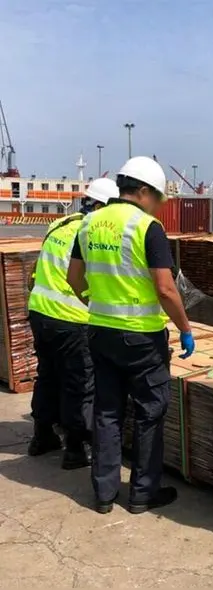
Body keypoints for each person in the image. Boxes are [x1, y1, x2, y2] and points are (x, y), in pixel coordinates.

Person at [66, 156, 196, 515]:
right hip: (141, 339)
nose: (159, 206)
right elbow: (166, 289)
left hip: (101, 333)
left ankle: (104, 493)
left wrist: (95, 301)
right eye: (158, 198)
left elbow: (74, 279)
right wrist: (185, 328)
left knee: (108, 412)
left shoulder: (89, 224)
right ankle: (142, 493)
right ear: (142, 192)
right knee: (150, 412)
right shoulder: (147, 227)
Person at [26, 178, 117, 469]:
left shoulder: (60, 224)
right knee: (79, 384)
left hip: (40, 312)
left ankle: (41, 436)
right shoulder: (92, 233)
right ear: (102, 205)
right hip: (72, 317)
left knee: (48, 375)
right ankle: (76, 448)